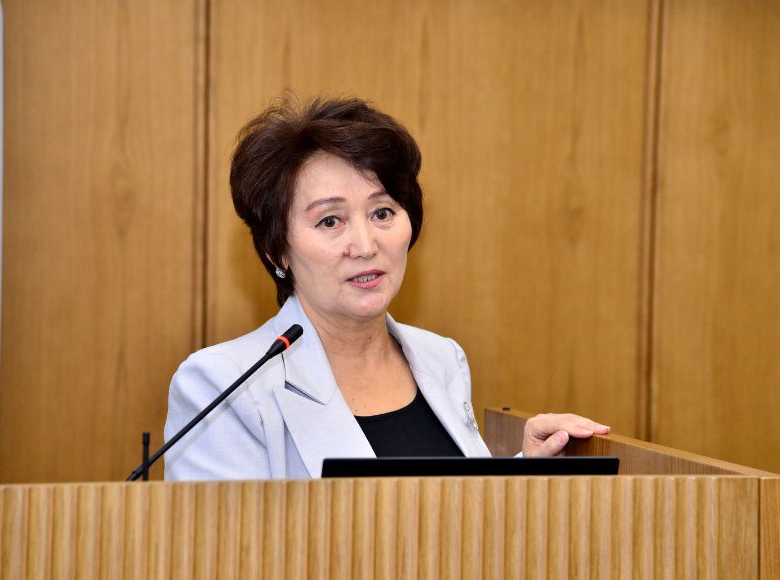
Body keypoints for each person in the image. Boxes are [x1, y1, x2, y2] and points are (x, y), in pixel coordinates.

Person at [164, 96, 609, 480]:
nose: (365, 245)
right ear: (277, 249)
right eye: (330, 221)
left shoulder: (442, 359)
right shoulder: (223, 386)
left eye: (382, 213)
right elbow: (226, 546)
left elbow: (450, 511)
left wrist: (525, 469)